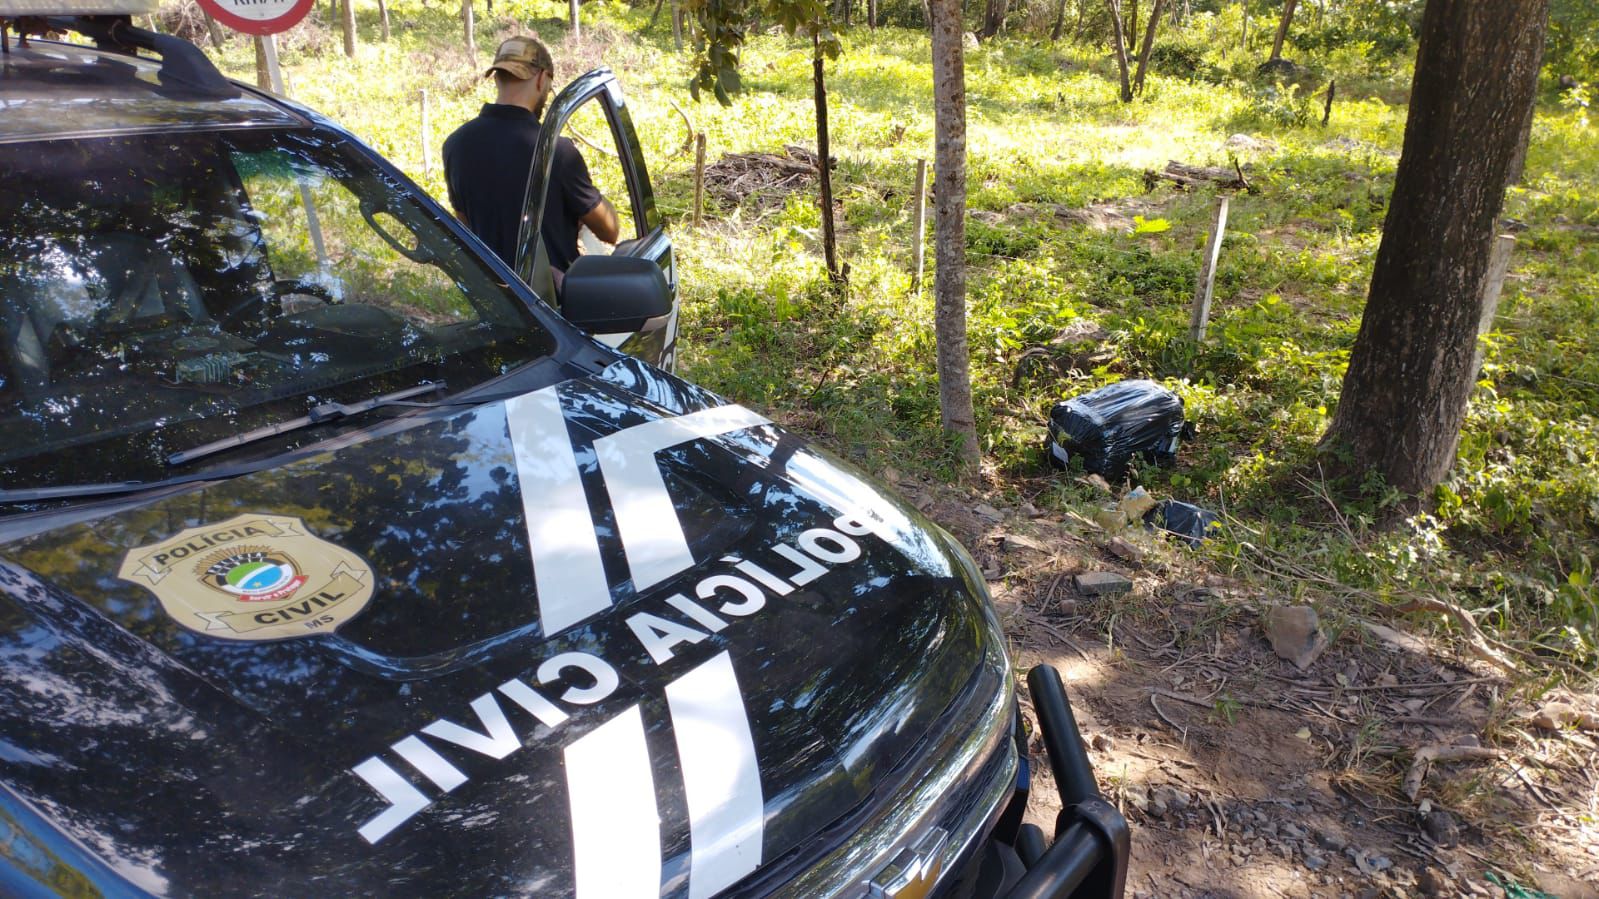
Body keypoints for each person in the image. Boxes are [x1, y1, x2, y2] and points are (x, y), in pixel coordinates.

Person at [442, 36, 620, 293]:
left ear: (497, 77)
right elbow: (610, 231)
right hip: (551, 309)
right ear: (542, 79)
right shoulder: (556, 151)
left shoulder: (456, 145)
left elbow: (466, 227)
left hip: (492, 303)